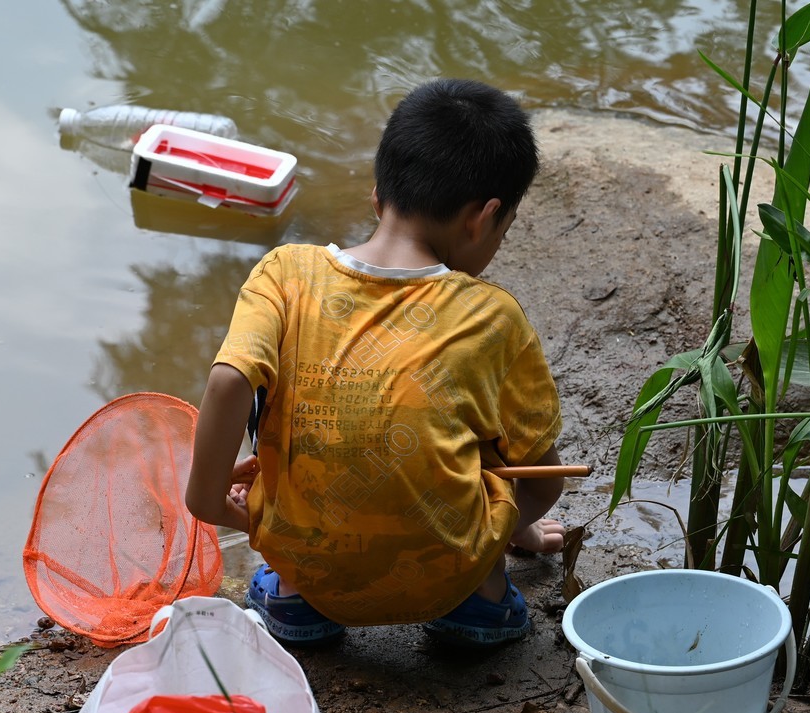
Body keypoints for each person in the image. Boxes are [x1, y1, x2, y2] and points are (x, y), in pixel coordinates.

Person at [185, 78, 566, 647]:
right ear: (483, 218)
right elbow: (545, 478)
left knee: (295, 434)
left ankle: (293, 601)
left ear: (377, 196)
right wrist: (515, 528)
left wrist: (207, 499)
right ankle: (480, 598)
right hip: (444, 574)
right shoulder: (491, 315)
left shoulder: (285, 273)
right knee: (488, 444)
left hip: (312, 571)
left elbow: (229, 379)